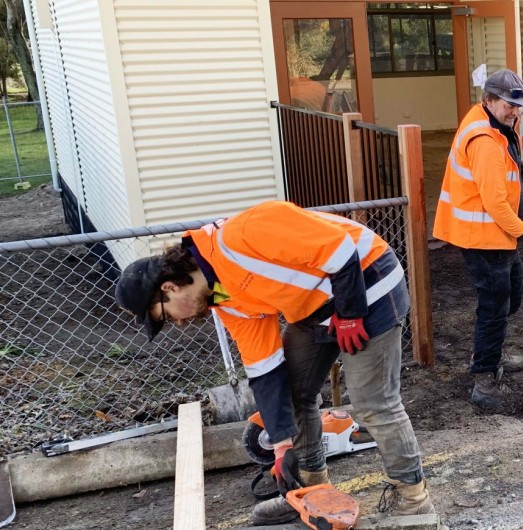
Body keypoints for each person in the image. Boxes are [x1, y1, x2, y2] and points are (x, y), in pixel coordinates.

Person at [113, 201, 434, 524]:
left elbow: (340, 250)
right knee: (295, 391)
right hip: (315, 307)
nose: (177, 323)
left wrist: (350, 314)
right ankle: (310, 490)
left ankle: (413, 499)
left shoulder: (242, 235)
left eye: (166, 316)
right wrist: (281, 447)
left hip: (367, 281)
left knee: (373, 402)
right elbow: (265, 369)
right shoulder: (224, 300)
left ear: (169, 288)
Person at [432, 68, 523, 408]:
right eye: (510, 104)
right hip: (482, 237)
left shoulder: (497, 124)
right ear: (490, 100)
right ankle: (484, 380)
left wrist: (521, 167)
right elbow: (494, 202)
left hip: (497, 235)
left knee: (510, 300)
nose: (516, 111)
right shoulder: (482, 141)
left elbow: (502, 167)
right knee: (495, 307)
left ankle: (490, 352)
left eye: (520, 105)